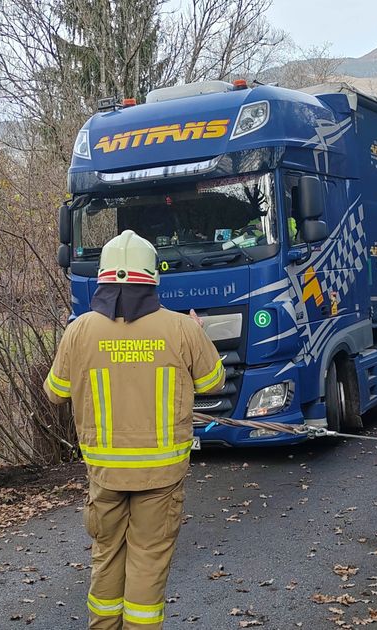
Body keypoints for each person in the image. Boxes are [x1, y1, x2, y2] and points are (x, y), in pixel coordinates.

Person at [44, 230, 224, 629]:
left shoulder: (80, 330)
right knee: (148, 559)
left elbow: (55, 393)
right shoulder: (182, 329)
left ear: (103, 277)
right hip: (161, 475)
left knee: (107, 554)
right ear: (152, 276)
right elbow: (213, 383)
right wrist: (201, 333)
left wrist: (76, 348)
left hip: (104, 474)